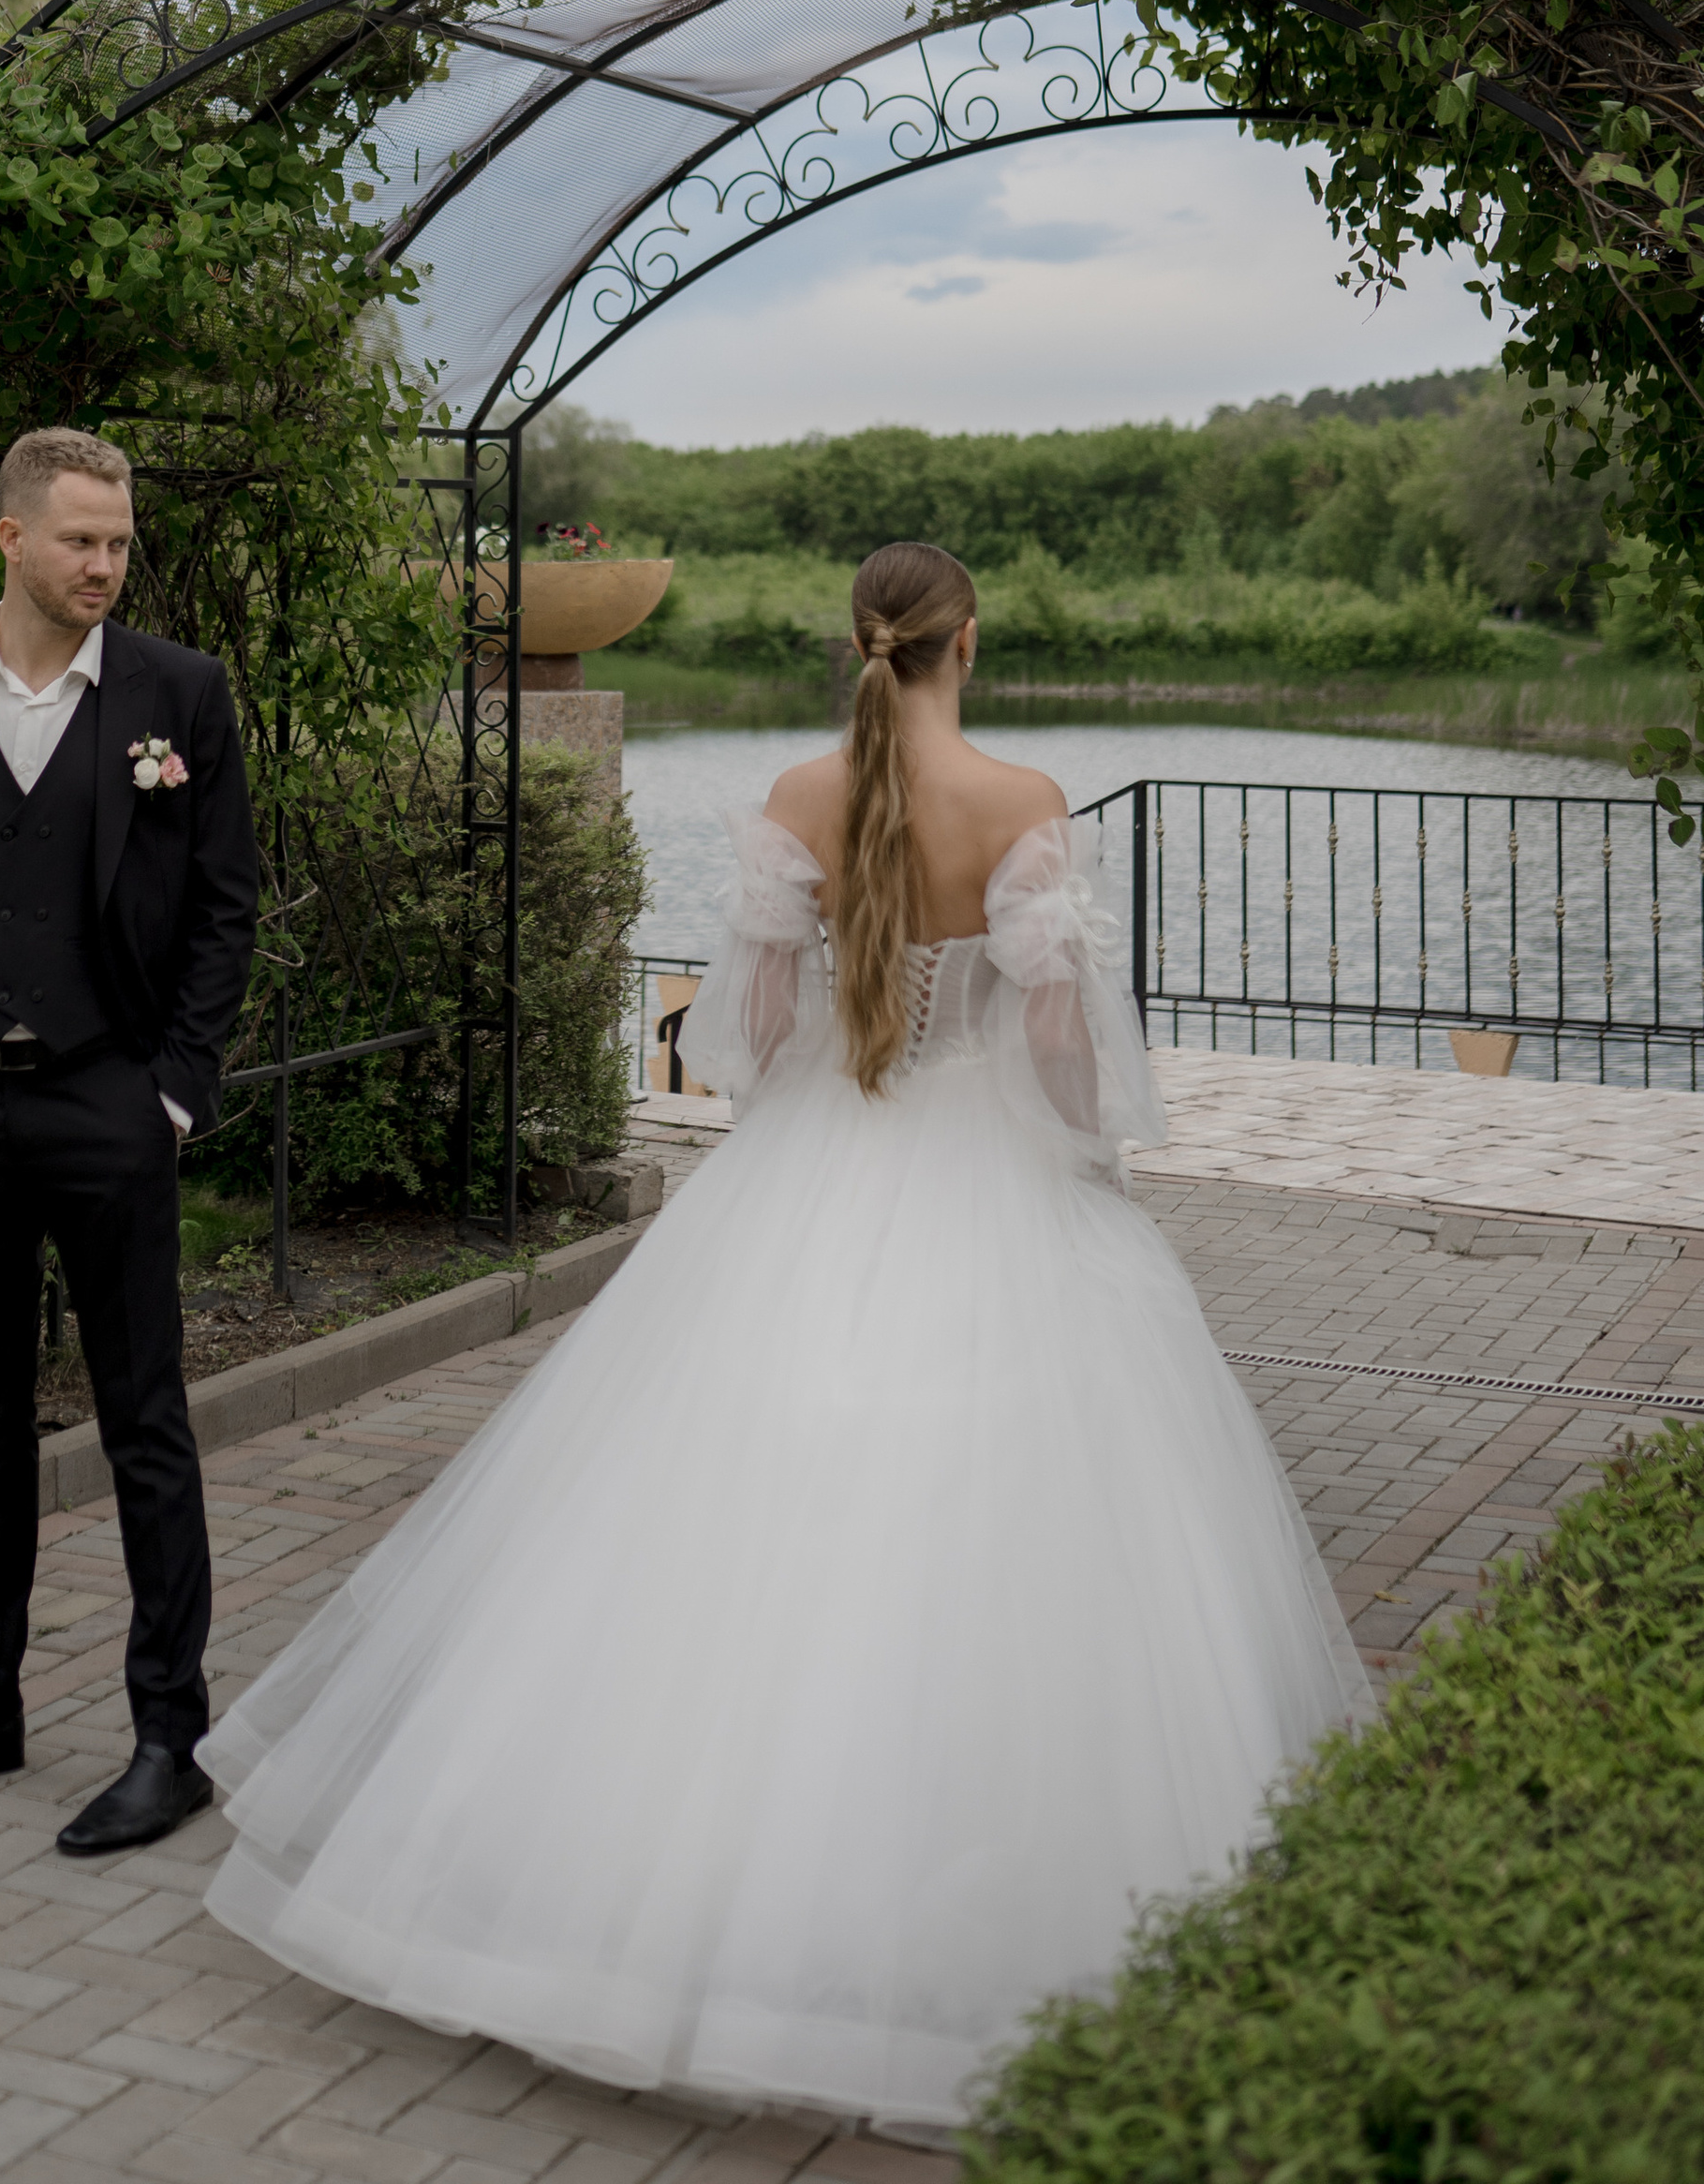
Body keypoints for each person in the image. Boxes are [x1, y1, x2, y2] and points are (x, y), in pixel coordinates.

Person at [197, 542, 1371, 2132]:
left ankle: (630, 1897)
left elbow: (742, 1039)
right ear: (969, 642)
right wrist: (1090, 1160)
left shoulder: (796, 796)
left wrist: (818, 1088)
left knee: (719, 1517)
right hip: (990, 1184)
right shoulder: (1026, 799)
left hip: (816, 1166)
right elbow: (1054, 1035)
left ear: (858, 646)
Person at [0, 425, 258, 1853]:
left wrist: (177, 1086)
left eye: (120, 542)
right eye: (80, 539)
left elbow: (223, 905)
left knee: (145, 1420)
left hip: (107, 1098)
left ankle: (167, 1733)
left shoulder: (175, 696)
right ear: (9, 537)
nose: (104, 565)